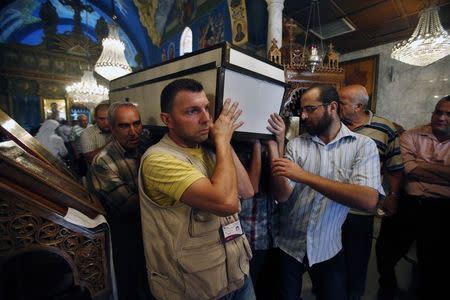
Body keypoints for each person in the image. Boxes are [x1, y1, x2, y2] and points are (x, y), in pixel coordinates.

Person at [138, 78, 255, 300]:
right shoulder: (158, 159)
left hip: (237, 273)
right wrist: (221, 140)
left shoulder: (209, 150)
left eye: (207, 109)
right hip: (197, 288)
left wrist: (224, 143)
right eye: (192, 111)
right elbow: (227, 204)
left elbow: (247, 190)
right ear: (167, 120)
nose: (206, 119)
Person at [268, 85, 383, 300]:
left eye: (310, 109)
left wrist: (303, 176)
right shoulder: (297, 145)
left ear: (332, 107)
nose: (303, 116)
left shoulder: (362, 146)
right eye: (301, 110)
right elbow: (282, 195)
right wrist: (276, 145)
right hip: (289, 245)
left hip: (327, 247)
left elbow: (368, 200)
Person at [338, 84, 404, 300]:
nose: (336, 106)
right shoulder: (334, 124)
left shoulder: (385, 128)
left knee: (356, 262)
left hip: (361, 211)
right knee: (330, 261)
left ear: (358, 106)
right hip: (331, 205)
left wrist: (393, 196)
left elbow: (395, 167)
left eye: (342, 103)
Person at [90, 102, 153, 300]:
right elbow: (127, 206)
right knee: (132, 286)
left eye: (137, 123)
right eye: (124, 126)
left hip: (151, 231)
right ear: (111, 127)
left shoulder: (145, 145)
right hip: (127, 235)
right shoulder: (103, 160)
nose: (133, 131)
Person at [395, 96, 449, 299]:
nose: (442, 117)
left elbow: (415, 168)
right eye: (438, 112)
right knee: (388, 251)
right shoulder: (411, 135)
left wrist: (420, 164)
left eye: (448, 114)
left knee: (435, 261)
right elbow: (408, 169)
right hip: (410, 204)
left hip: (443, 209)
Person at [236, 113, 285, 300]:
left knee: (268, 289)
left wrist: (278, 141)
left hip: (271, 234)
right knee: (247, 289)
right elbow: (252, 187)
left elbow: (281, 183)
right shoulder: (235, 143)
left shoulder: (272, 142)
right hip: (247, 237)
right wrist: (257, 143)